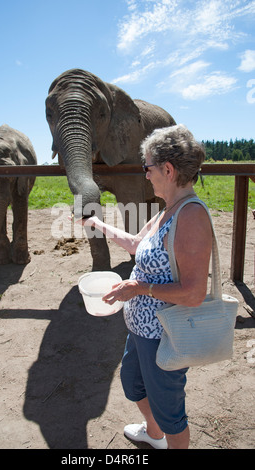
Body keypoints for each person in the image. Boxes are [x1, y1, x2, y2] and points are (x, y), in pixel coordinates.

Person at [79, 124, 212, 449]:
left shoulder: (191, 216)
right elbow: (139, 244)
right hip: (141, 330)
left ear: (167, 169)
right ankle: (154, 436)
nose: (146, 175)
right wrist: (98, 224)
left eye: (147, 167)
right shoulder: (167, 210)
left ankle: (167, 436)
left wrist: (139, 288)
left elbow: (194, 294)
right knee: (133, 385)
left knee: (171, 414)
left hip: (165, 335)